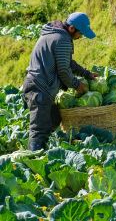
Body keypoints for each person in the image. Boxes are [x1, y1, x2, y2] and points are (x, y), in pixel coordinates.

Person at [22, 12, 97, 151]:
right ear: (72, 28)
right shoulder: (62, 39)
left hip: (38, 86)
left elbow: (68, 63)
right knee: (39, 130)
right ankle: (33, 162)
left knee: (55, 118)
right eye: (81, 33)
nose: (80, 37)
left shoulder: (53, 34)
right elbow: (63, 70)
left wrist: (86, 74)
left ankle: (43, 149)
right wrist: (76, 85)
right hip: (40, 88)